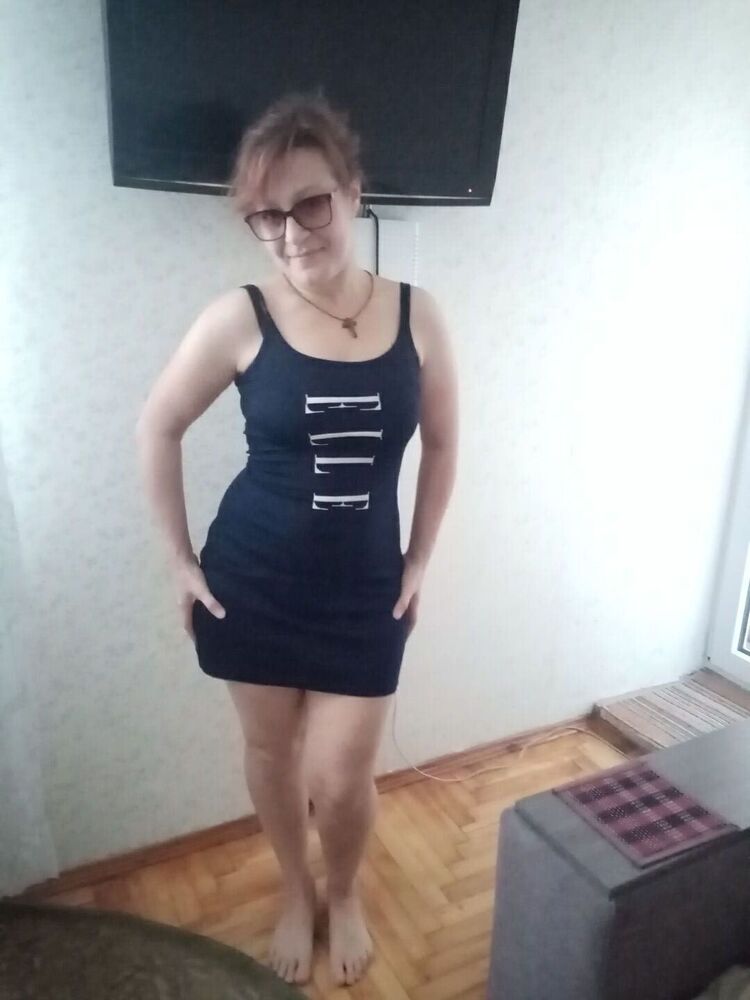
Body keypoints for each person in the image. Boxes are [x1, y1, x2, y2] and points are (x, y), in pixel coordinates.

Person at [136, 91, 458, 987]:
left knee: (342, 776)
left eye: (310, 204)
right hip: (252, 583)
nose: (289, 233)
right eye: (266, 216)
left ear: (353, 192)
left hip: (364, 592)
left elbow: (443, 445)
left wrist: (421, 559)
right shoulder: (239, 317)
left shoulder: (419, 314)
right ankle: (293, 887)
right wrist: (180, 563)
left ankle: (342, 891)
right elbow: (157, 425)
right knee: (271, 754)